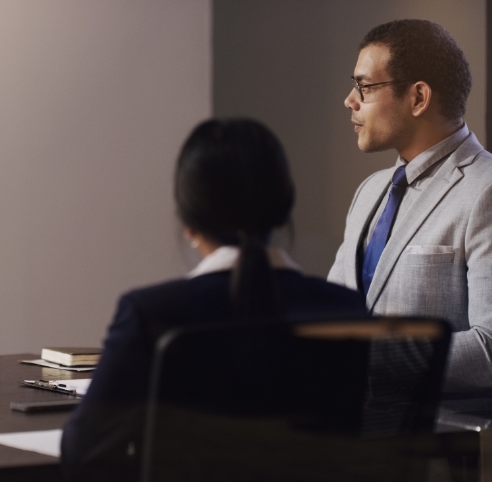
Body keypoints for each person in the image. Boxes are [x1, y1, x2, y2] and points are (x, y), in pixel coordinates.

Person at [61, 118, 368, 481]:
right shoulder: (346, 309)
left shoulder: (150, 314)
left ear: (188, 220)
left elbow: (84, 452)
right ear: (285, 208)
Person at [328, 19, 492, 394]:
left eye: (364, 87)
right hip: (348, 438)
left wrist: (367, 359)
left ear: (418, 97)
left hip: (441, 445)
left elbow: (490, 348)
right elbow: (333, 315)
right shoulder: (370, 192)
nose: (350, 100)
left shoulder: (486, 189)